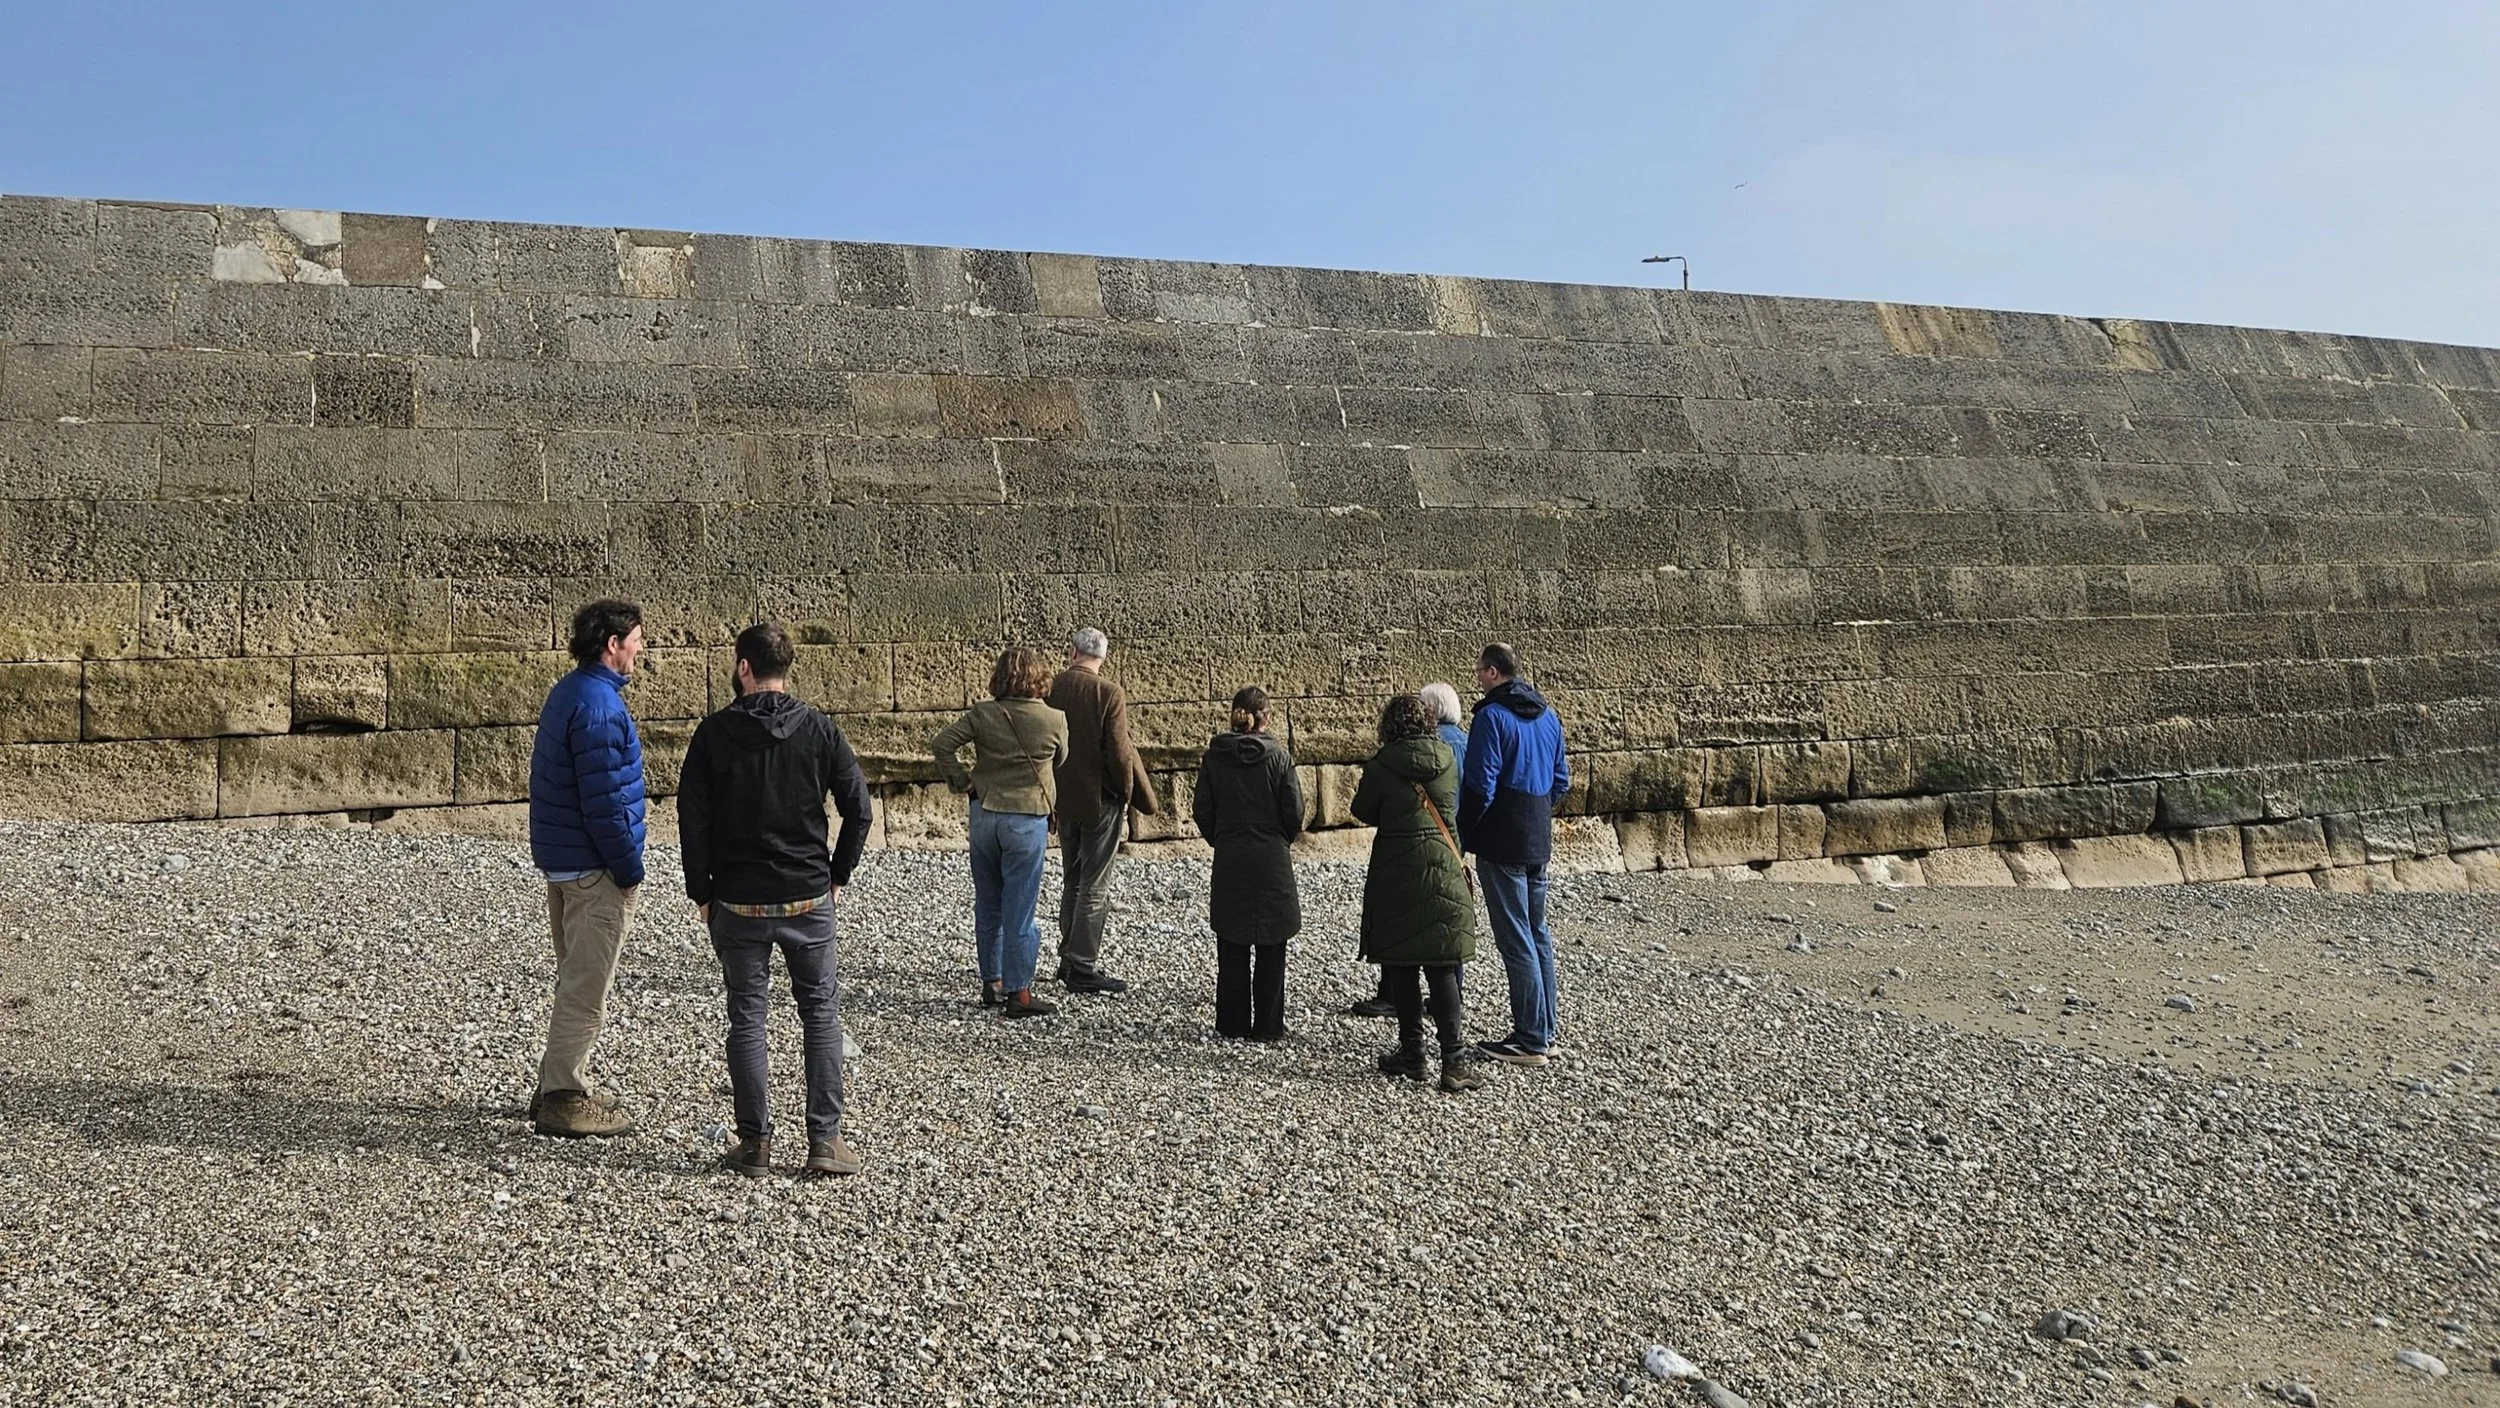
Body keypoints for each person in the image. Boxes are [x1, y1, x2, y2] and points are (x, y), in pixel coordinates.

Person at [678, 622, 874, 1180]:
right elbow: (858, 809)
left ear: (744, 667)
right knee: (820, 1014)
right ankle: (825, 1140)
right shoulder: (819, 729)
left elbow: (693, 820)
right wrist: (837, 874)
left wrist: (701, 891)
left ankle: (755, 1142)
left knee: (748, 1015)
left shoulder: (713, 734)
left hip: (738, 899)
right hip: (807, 894)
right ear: (785, 669)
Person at [525, 598, 647, 1138]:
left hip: (565, 863)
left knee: (574, 979)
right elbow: (604, 802)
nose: (641, 650)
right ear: (613, 644)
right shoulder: (599, 707)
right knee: (585, 990)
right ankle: (563, 1097)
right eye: (637, 641)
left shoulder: (569, 692)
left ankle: (561, 1078)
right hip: (593, 868)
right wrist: (628, 869)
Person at [1350, 693, 1486, 1094]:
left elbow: (1362, 810)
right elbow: (1452, 809)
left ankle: (1413, 1053)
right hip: (1444, 862)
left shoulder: (1382, 764)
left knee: (1404, 962)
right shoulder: (1446, 760)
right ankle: (1455, 1061)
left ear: (1389, 726)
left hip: (1398, 871)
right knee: (1442, 965)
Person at [931, 647, 1070, 1018]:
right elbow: (1061, 759)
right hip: (1027, 818)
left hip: (985, 813)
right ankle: (1020, 993)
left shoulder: (983, 713)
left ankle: (991, 982)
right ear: (1040, 678)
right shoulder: (1054, 719)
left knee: (988, 902)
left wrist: (962, 781)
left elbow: (942, 744)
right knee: (1020, 910)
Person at [1458, 643, 1571, 1067]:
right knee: (1538, 933)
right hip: (1537, 836)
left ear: (1491, 673)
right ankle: (1545, 1029)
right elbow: (1562, 780)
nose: (1477, 677)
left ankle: (1529, 1037)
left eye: (1479, 671)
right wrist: (1537, 813)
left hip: (1503, 839)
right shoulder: (1549, 715)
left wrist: (1465, 834)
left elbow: (1480, 786)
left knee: (1516, 938)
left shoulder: (1490, 717)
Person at [1046, 627, 1159, 995]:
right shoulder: (1109, 693)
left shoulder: (1053, 688)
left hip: (1063, 798)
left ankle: (1067, 958)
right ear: (1103, 658)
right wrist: (1126, 794)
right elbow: (1117, 751)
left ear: (1073, 651)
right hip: (1100, 801)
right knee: (1095, 882)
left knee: (1073, 878)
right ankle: (1082, 964)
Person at [1192, 686, 1303, 1040]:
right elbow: (1294, 812)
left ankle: (1232, 1021)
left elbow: (1203, 810)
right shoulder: (1279, 759)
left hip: (1231, 853)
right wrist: (1279, 838)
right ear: (1267, 718)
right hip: (1271, 855)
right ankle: (1268, 1025)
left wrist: (1221, 838)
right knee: (1273, 944)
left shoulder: (1215, 757)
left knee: (1232, 940)